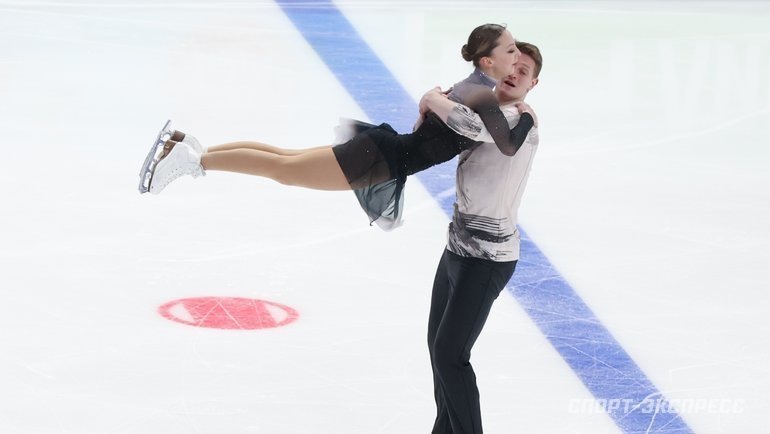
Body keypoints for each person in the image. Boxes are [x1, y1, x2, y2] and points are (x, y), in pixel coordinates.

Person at [142, 24, 536, 230]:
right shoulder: (482, 97)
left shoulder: (463, 87)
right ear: (487, 62)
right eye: (510, 50)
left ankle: (192, 147)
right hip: (379, 158)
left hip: (383, 149)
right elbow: (508, 144)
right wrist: (529, 114)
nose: (516, 57)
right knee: (283, 169)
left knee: (283, 158)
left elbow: (435, 113)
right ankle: (195, 160)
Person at [420, 41, 542, 434]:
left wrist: (432, 97)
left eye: (523, 71)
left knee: (450, 355)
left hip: (489, 258)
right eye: (512, 63)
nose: (514, 72)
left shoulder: (519, 122)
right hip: (456, 249)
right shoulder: (485, 109)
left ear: (533, 84)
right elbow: (433, 133)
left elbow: (472, 128)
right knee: (438, 352)